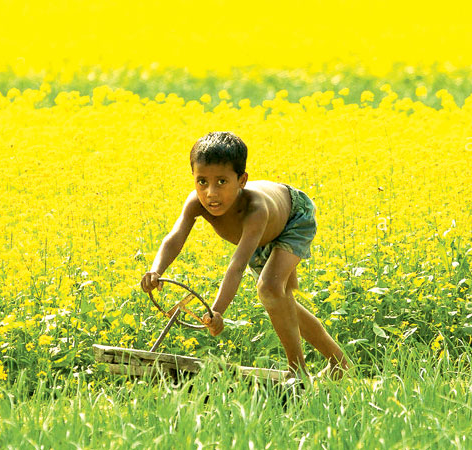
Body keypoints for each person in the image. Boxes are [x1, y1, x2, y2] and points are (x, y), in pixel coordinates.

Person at [139, 131, 350, 379]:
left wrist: (216, 311)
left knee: (270, 288)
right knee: (282, 300)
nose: (210, 193)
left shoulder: (255, 209)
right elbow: (175, 238)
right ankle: (339, 363)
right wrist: (156, 270)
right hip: (259, 237)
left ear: (242, 181)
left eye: (221, 182)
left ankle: (297, 371)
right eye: (202, 181)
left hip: (292, 217)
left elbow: (237, 266)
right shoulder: (196, 203)